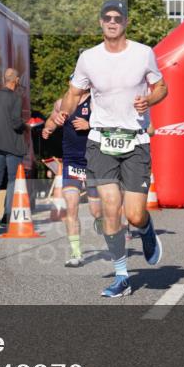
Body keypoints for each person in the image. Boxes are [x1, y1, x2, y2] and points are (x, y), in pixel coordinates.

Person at [52, 0, 168, 298]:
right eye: (107, 17)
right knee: (110, 210)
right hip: (101, 141)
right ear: (101, 22)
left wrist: (150, 100)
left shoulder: (143, 53)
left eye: (118, 17)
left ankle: (145, 228)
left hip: (135, 140)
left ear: (125, 22)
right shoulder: (88, 58)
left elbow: (162, 87)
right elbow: (74, 91)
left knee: (134, 214)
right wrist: (63, 112)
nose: (112, 21)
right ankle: (121, 275)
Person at [42, 95, 102, 267]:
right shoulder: (61, 103)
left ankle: (100, 219)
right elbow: (51, 121)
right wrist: (48, 129)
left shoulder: (95, 101)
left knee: (96, 210)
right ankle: (77, 254)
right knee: (71, 206)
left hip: (92, 161)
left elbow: (110, 123)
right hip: (71, 162)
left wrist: (89, 125)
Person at [0, 68, 26, 227]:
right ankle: (8, 216)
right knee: (11, 181)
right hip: (12, 146)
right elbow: (16, 122)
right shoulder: (16, 98)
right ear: (15, 80)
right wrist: (25, 126)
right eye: (18, 79)